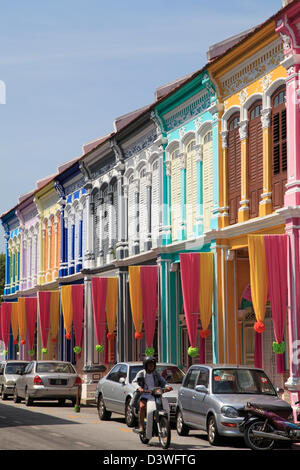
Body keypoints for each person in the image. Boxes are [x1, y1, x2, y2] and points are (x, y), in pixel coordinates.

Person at [132, 356, 173, 432]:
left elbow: (163, 382)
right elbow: (134, 382)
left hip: (155, 395)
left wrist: (167, 386)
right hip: (145, 395)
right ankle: (141, 426)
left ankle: (162, 422)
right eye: (149, 364)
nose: (151, 366)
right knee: (142, 406)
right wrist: (139, 388)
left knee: (163, 406)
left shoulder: (156, 374)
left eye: (153, 364)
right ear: (145, 365)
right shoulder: (141, 373)